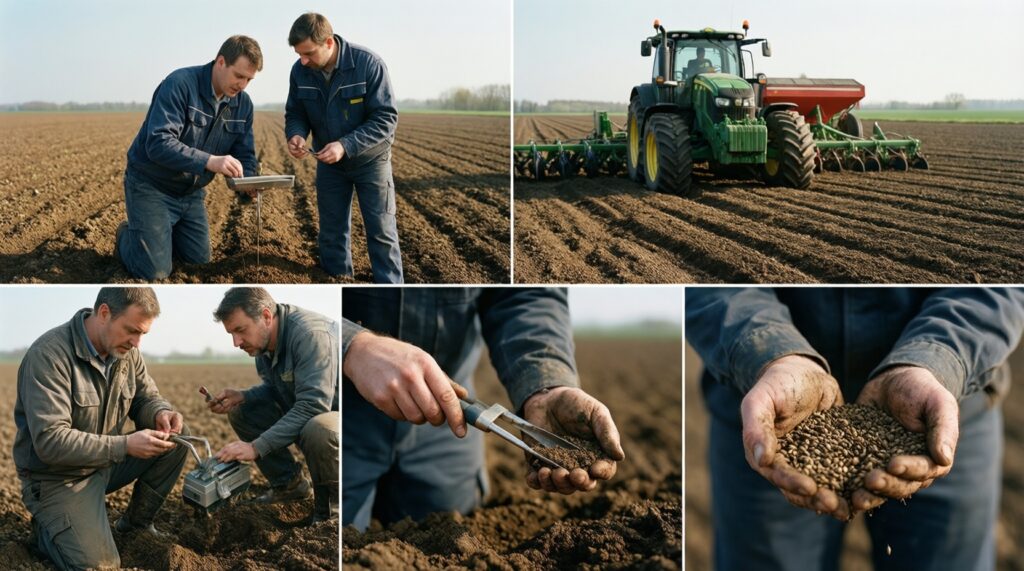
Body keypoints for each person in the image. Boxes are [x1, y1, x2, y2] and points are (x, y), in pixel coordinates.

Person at [686, 287, 1024, 571]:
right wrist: (769, 352)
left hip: (942, 401)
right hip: (770, 408)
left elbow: (995, 288)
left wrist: (940, 359)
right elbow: (710, 288)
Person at [341, 288, 625, 531]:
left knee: (449, 530)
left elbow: (524, 296)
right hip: (341, 404)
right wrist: (351, 344)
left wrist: (548, 386)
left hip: (449, 413)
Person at [13, 287, 188, 570]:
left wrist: (161, 412)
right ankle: (49, 531)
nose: (137, 343)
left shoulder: (127, 353)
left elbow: (146, 397)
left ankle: (136, 526)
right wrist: (125, 446)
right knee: (99, 566)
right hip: (59, 477)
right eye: (132, 331)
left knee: (177, 439)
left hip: (105, 463)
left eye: (143, 334)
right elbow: (50, 442)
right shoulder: (49, 356)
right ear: (104, 313)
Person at [116, 36, 263, 280]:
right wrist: (210, 161)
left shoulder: (243, 105)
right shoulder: (180, 84)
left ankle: (159, 237)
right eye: (239, 75)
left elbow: (245, 153)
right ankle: (126, 237)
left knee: (199, 263)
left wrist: (248, 182)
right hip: (151, 185)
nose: (243, 85)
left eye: (249, 79)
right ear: (221, 62)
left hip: (191, 192)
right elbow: (158, 142)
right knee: (155, 272)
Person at [284, 12, 403, 283]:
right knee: (332, 232)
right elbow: (295, 112)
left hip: (371, 163)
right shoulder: (300, 71)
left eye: (308, 53)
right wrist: (297, 134)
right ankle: (338, 281)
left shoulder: (368, 64)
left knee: (382, 232)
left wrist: (345, 145)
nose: (303, 60)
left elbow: (386, 118)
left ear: (328, 42)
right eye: (298, 54)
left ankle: (390, 286)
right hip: (330, 165)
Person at [208, 287, 339, 523]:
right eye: (231, 333)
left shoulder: (310, 335)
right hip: (312, 420)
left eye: (240, 330)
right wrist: (244, 396)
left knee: (319, 427)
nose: (236, 342)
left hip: (345, 429)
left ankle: (331, 515)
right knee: (243, 411)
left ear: (266, 316)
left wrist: (256, 447)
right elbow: (278, 389)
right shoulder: (262, 345)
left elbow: (314, 406)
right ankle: (290, 486)